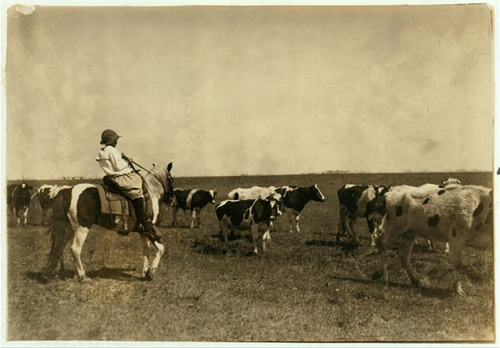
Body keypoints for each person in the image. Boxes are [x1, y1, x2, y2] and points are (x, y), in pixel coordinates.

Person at [96, 129, 159, 241]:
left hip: (110, 177)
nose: (117, 142)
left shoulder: (103, 151)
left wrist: (122, 157)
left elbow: (112, 163)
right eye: (116, 140)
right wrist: (128, 162)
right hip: (120, 177)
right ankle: (145, 225)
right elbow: (119, 167)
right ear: (112, 140)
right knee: (137, 194)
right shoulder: (112, 151)